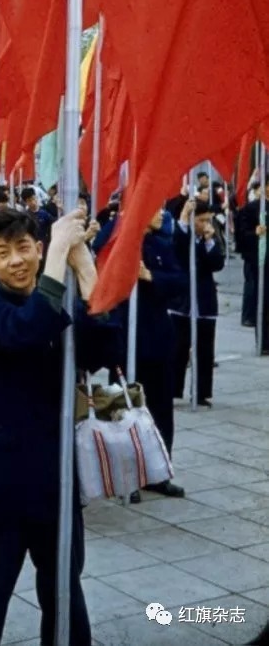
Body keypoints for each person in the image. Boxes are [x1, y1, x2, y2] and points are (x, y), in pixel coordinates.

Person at [0, 208, 95, 646]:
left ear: (39, 249)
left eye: (25, 248)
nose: (16, 260)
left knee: (64, 590)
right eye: (3, 253)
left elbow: (105, 343)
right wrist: (57, 261)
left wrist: (84, 266)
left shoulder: (57, 303)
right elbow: (26, 329)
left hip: (54, 475)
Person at [129, 208, 188, 498]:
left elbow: (180, 282)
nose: (161, 213)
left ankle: (159, 472)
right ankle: (129, 476)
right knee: (128, 409)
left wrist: (150, 275)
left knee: (161, 408)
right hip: (128, 339)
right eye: (153, 206)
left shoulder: (161, 244)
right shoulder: (119, 240)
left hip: (159, 337)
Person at [170, 200, 225, 405]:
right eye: (201, 220)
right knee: (179, 348)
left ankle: (201, 392)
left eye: (207, 220)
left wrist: (210, 240)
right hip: (183, 300)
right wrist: (185, 216)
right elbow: (178, 244)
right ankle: (174, 389)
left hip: (205, 299)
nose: (205, 224)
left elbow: (217, 263)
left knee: (205, 350)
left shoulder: (207, 238)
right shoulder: (183, 235)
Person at [236, 176, 269, 351]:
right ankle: (263, 341)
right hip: (261, 261)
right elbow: (241, 235)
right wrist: (254, 233)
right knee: (263, 300)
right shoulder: (252, 209)